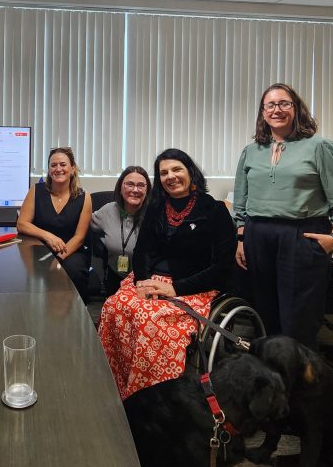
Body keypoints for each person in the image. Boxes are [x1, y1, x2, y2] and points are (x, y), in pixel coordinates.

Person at [233, 82, 333, 349]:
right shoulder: (251, 151)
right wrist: (241, 239)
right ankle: (269, 372)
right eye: (270, 105)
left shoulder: (320, 147)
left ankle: (300, 374)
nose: (277, 110)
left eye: (284, 103)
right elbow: (241, 202)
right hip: (258, 236)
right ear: (262, 112)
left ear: (296, 109)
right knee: (264, 315)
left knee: (298, 321)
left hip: (301, 236)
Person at [98, 148, 235, 400]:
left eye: (176, 169)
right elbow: (142, 251)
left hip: (193, 286)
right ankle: (115, 388)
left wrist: (175, 288)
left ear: (190, 172)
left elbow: (223, 267)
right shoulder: (156, 208)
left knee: (149, 319)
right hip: (151, 280)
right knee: (114, 307)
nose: (170, 176)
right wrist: (142, 281)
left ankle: (152, 398)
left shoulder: (214, 210)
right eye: (163, 173)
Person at [16, 146, 92, 301]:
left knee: (73, 271)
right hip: (39, 248)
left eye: (63, 164)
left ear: (72, 169)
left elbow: (79, 237)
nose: (58, 169)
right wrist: (48, 236)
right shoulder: (36, 191)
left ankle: (77, 310)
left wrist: (59, 258)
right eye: (53, 165)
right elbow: (22, 224)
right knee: (25, 273)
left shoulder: (84, 197)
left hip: (70, 250)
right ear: (49, 170)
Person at [90, 165, 151, 296]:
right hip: (115, 275)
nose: (135, 190)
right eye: (130, 184)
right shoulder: (108, 211)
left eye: (141, 185)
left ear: (147, 190)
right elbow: (84, 223)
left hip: (146, 279)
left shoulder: (154, 214)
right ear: (120, 187)